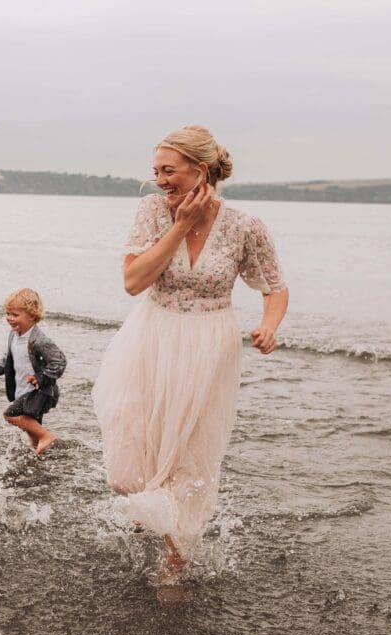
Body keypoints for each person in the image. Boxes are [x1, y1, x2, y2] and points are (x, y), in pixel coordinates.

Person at [92, 125, 289, 577]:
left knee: (190, 457)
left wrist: (268, 326)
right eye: (156, 170)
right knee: (128, 465)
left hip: (209, 345)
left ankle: (175, 565)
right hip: (151, 335)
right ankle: (155, 518)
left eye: (168, 170)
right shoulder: (153, 213)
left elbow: (274, 288)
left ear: (200, 170)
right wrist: (179, 226)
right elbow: (133, 282)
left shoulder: (244, 226)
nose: (160, 179)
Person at [0, 288, 67, 456]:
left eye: (15, 315)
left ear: (31, 316)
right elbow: (9, 359)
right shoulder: (14, 335)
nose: (9, 318)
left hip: (40, 391)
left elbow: (59, 361)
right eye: (8, 313)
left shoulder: (39, 340)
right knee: (32, 430)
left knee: (11, 414)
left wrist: (42, 377)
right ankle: (39, 452)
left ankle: (46, 436)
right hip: (23, 389)